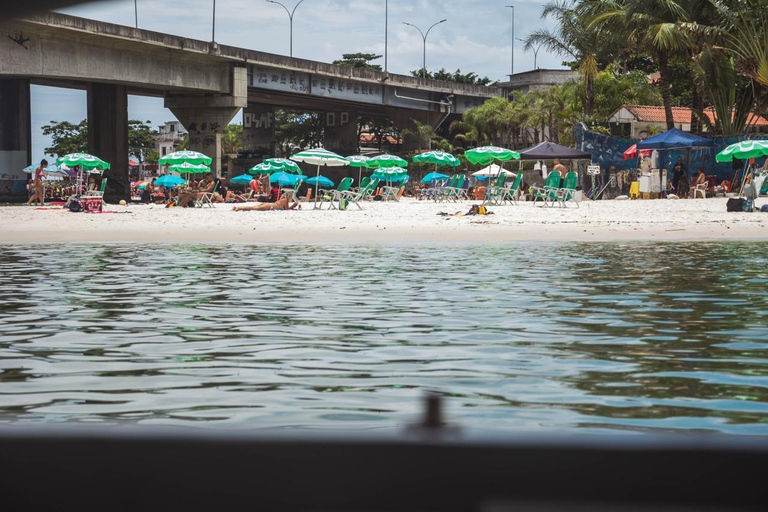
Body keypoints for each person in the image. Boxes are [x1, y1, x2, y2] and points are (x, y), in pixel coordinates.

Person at [232, 193, 299, 211]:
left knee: (253, 207)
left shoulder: (282, 199)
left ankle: (238, 207)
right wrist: (293, 206)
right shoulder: (286, 200)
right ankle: (239, 208)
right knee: (253, 208)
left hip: (270, 204)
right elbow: (287, 209)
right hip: (271, 206)